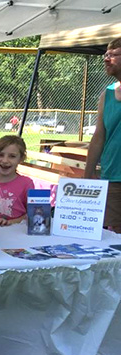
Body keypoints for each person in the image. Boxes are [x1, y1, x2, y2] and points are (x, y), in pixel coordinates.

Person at [84, 37, 121, 233]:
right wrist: (87, 174)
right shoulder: (106, 94)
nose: (106, 59)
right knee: (115, 235)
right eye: (106, 54)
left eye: (114, 54)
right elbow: (99, 137)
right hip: (112, 175)